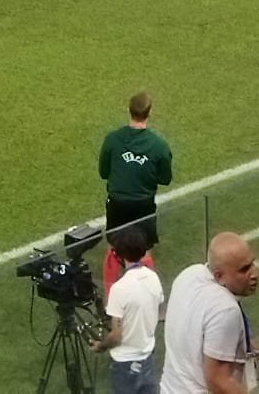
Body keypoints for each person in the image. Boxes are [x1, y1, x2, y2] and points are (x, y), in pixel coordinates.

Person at [161, 232, 258, 394]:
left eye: (252, 263)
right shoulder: (225, 309)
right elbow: (218, 381)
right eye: (244, 269)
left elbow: (197, 332)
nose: (255, 274)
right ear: (219, 276)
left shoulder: (188, 275)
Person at [91, 225, 163, 394]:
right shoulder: (153, 277)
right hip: (148, 358)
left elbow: (116, 335)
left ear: (119, 255)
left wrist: (101, 346)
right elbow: (158, 308)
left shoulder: (119, 289)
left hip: (125, 364)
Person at [100, 93, 173, 247]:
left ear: (129, 110)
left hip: (117, 203)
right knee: (144, 248)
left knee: (114, 248)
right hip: (143, 204)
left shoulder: (112, 139)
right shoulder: (159, 145)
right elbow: (165, 179)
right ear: (149, 113)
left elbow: (103, 172)